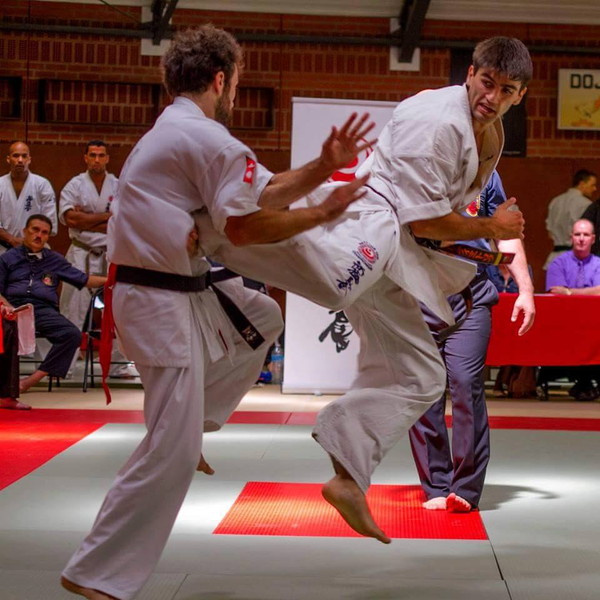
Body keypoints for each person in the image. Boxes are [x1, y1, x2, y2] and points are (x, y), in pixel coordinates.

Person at [61, 25, 375, 600]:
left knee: (262, 318)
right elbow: (246, 227)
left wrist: (322, 166)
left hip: (181, 291)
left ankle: (196, 421)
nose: (236, 92)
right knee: (170, 453)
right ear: (221, 79)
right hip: (159, 301)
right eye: (236, 81)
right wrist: (320, 214)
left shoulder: (178, 131)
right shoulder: (208, 140)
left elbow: (261, 193)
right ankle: (95, 574)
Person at [195, 36, 531, 542]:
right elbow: (427, 221)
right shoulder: (438, 120)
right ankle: (213, 227)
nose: (493, 96)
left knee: (422, 375)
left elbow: (432, 224)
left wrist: (486, 245)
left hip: (400, 254)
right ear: (470, 74)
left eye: (506, 90)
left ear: (520, 96)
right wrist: (491, 228)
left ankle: (349, 478)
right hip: (373, 223)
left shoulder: (487, 130)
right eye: (487, 82)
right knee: (333, 284)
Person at [408, 171, 535, 513]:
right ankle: (436, 483)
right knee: (425, 390)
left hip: (472, 292)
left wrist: (525, 289)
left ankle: (465, 486)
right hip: (418, 293)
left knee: (466, 382)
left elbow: (507, 233)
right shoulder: (415, 166)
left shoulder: (487, 173)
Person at [0, 214, 106, 408]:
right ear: (25, 231)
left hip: (42, 310)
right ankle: (7, 395)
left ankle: (29, 382)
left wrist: (112, 280)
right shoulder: (8, 258)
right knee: (6, 331)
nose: (39, 235)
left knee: (72, 335)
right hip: (13, 308)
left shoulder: (55, 260)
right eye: (35, 230)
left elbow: (84, 280)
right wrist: (6, 306)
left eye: (44, 232)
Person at [58, 140, 132, 377]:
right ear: (86, 158)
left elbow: (122, 220)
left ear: (107, 158)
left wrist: (86, 219)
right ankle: (64, 365)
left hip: (112, 252)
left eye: (101, 155)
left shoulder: (118, 185)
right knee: (71, 309)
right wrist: (106, 218)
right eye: (93, 155)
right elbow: (71, 220)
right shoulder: (75, 185)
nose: (97, 159)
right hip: (81, 253)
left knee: (119, 307)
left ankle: (118, 365)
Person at [545, 218, 600, 401]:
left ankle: (585, 384)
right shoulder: (558, 263)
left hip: (595, 327)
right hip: (563, 328)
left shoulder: (598, 264)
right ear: (571, 237)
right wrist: (589, 292)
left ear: (593, 239)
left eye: (586, 235)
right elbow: (555, 292)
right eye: (577, 234)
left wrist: (569, 292)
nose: (581, 238)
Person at [0, 141, 57, 254]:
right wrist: (11, 239)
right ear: (8, 159)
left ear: (29, 159)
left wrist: (29, 241)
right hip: (3, 248)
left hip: (34, 248)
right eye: (16, 155)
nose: (20, 160)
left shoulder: (42, 185)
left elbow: (48, 221)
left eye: (24, 156)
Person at [544, 169, 597, 268]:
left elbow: (550, 233)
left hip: (555, 258)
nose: (595, 189)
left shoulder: (555, 201)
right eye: (592, 185)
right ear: (582, 184)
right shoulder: (587, 205)